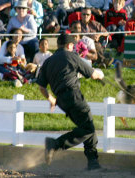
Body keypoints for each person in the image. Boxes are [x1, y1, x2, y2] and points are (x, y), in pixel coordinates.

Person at [37, 33, 104, 170]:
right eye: (73, 46)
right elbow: (92, 74)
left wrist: (51, 99)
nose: (73, 48)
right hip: (73, 96)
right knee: (88, 128)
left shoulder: (48, 61)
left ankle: (93, 163)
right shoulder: (71, 56)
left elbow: (41, 87)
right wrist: (100, 74)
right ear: (69, 45)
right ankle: (55, 144)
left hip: (61, 101)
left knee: (86, 126)